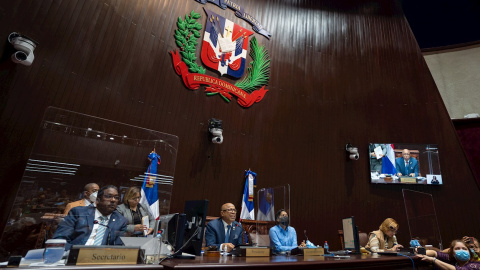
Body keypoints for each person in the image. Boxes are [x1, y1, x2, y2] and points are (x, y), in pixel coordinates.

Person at [52, 185, 127, 250]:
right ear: (98, 200)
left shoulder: (120, 220)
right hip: (74, 255)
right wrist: (76, 253)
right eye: (108, 196)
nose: (113, 200)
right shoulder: (79, 213)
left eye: (116, 197)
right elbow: (59, 240)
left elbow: (118, 247)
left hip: (101, 259)